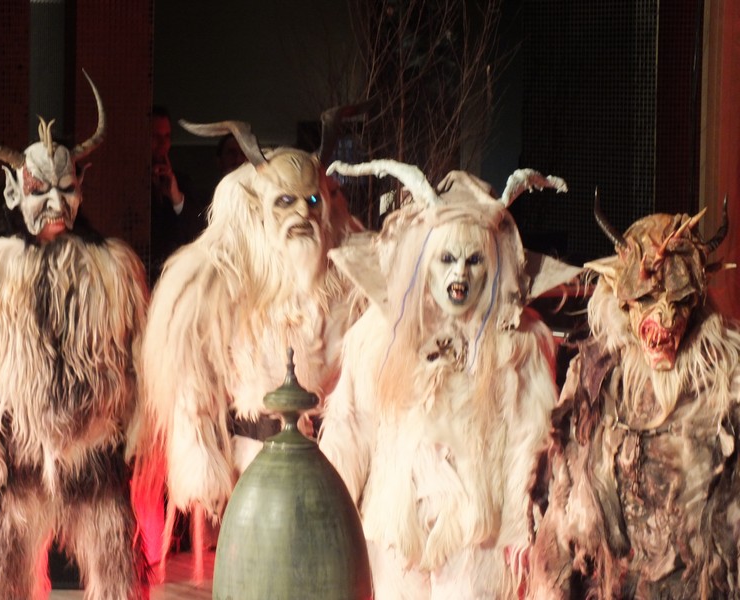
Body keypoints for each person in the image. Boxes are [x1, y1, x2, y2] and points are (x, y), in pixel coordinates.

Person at [317, 160, 578, 599]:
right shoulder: (378, 336)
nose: (460, 275)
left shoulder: (519, 342)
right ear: (425, 262)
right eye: (447, 259)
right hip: (395, 523)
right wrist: (325, 511)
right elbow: (350, 425)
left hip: (478, 531)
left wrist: (520, 528)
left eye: (474, 260)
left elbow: (530, 440)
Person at [0, 73, 150, 599]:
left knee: (112, 562)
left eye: (66, 188)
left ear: (82, 185)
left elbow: (136, 357)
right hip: (23, 453)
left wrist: (137, 427)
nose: (55, 202)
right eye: (40, 190)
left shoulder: (113, 272)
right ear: (14, 191)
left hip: (93, 449)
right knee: (8, 564)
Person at [131, 115, 365, 572]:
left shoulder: (347, 283)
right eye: (286, 202)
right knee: (259, 570)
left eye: (312, 201)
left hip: (328, 465)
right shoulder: (221, 281)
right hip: (254, 464)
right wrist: (198, 449)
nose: (303, 215)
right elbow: (188, 369)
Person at [527, 197, 739, 598]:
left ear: (696, 301)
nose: (664, 318)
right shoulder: (595, 377)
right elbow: (564, 502)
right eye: (647, 299)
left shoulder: (726, 384)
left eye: (678, 301)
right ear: (622, 298)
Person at [149, 105, 206, 284]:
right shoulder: (126, 183)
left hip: (175, 279)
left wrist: (176, 197)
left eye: (167, 137)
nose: (163, 144)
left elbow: (199, 233)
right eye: (156, 136)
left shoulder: (183, 182)